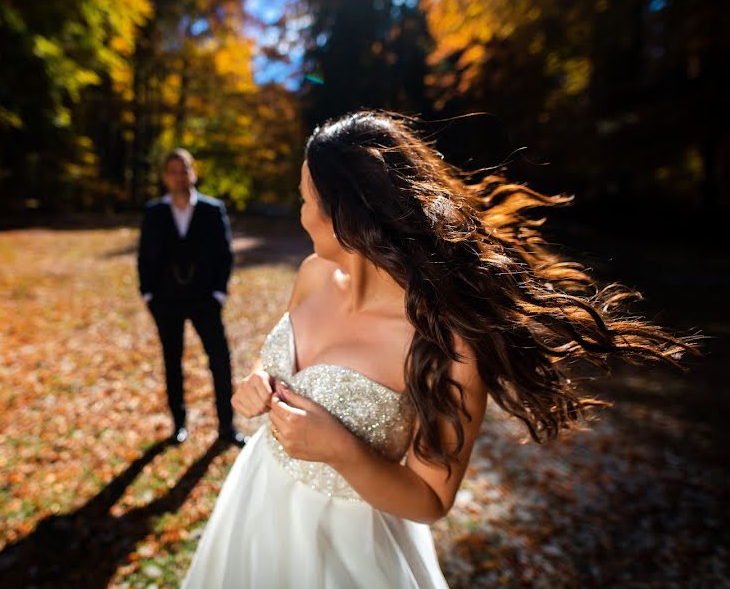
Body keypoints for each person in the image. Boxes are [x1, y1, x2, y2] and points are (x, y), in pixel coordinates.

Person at [180, 111, 698, 588]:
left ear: (346, 212)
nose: (300, 215)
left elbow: (431, 499)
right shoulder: (313, 275)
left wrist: (339, 448)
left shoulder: (448, 343)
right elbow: (278, 354)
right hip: (255, 502)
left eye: (305, 200)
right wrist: (256, 381)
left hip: (344, 549)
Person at [138, 148, 245, 447]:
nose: (178, 175)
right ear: (165, 177)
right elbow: (144, 257)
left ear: (192, 172)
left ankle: (227, 426)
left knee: (220, 360)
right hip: (166, 302)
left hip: (205, 301)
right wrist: (148, 295)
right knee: (172, 362)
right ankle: (179, 425)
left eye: (183, 169)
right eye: (172, 170)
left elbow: (225, 255)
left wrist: (219, 294)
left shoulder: (212, 210)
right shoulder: (154, 212)